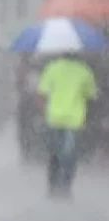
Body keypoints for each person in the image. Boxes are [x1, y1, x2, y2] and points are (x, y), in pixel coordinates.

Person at [37, 52, 99, 198]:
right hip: (75, 120)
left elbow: (42, 93)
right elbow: (91, 96)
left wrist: (44, 112)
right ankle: (65, 186)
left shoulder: (52, 68)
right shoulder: (85, 71)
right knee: (70, 155)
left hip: (54, 118)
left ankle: (52, 186)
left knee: (54, 153)